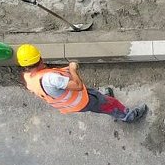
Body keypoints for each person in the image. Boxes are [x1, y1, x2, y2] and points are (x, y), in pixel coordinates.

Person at [16, 44, 147, 123]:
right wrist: (72, 69)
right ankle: (128, 116)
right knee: (109, 105)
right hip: (83, 100)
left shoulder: (28, 77)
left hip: (73, 103)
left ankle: (104, 99)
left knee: (101, 98)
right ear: (40, 58)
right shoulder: (50, 79)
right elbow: (78, 86)